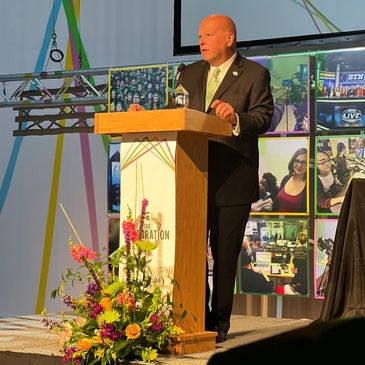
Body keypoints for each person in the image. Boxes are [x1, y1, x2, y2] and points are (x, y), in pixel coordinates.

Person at [129, 14, 273, 342]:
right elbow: (175, 113)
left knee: (223, 256)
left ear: (229, 38)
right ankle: (191, 315)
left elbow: (263, 117)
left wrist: (235, 117)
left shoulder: (254, 73)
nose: (201, 40)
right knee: (191, 252)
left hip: (232, 178)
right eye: (199, 35)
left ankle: (218, 322)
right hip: (191, 175)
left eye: (208, 34)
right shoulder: (190, 72)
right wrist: (148, 117)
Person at [277, 148, 307, 212]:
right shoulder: (286, 178)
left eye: (304, 162)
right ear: (293, 161)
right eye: (297, 161)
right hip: (278, 220)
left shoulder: (310, 185)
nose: (299, 165)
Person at [317, 149, 344, 213]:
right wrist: (340, 199)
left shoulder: (331, 169)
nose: (328, 164)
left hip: (334, 198)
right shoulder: (315, 180)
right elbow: (321, 203)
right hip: (325, 206)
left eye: (328, 160)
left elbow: (335, 185)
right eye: (323, 162)